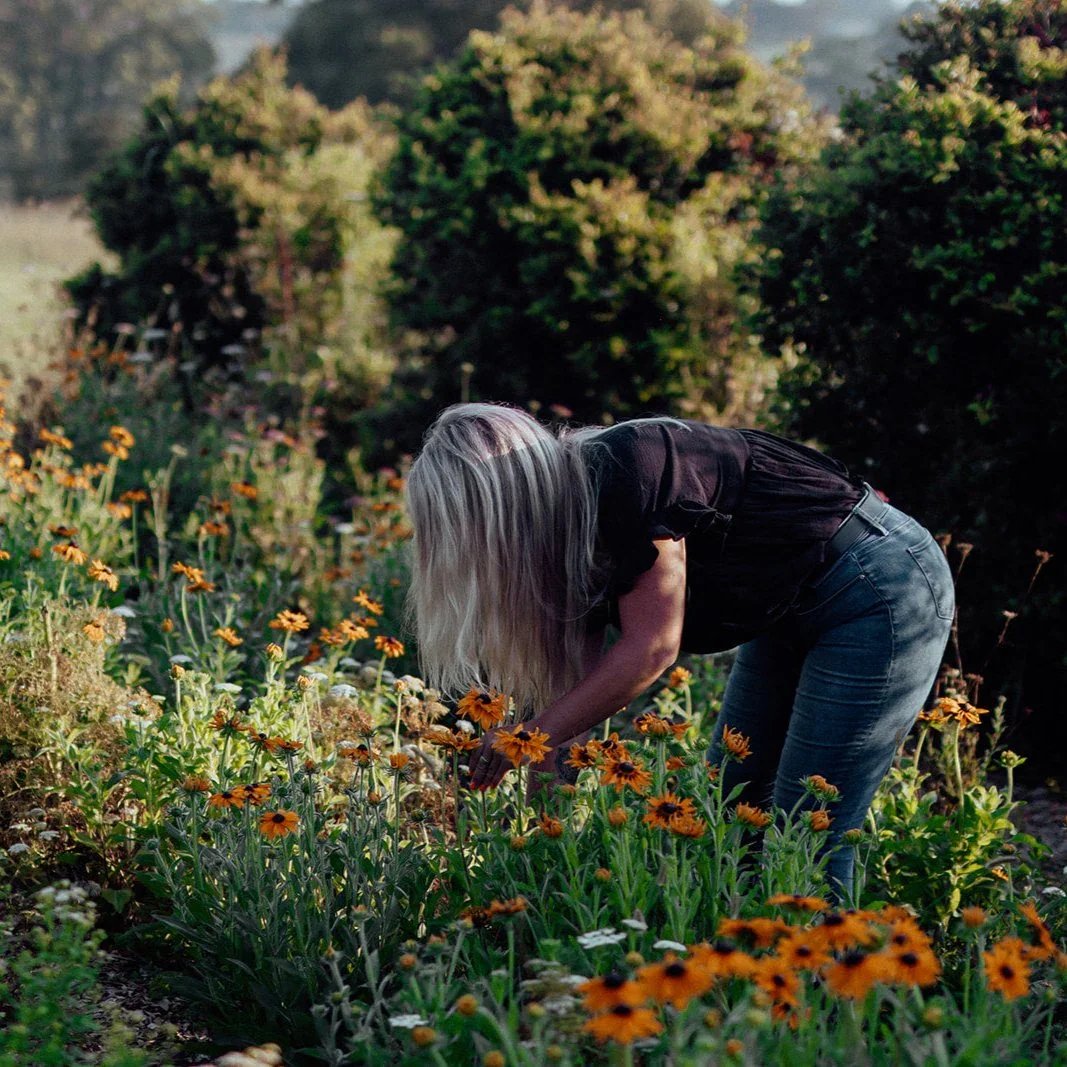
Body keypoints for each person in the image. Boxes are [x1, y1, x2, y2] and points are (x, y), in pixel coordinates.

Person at [403, 402, 955, 897]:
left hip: (877, 585)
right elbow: (569, 705)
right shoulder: (562, 540)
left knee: (808, 829)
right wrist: (542, 848)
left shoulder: (632, 467)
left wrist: (525, 736)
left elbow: (652, 649)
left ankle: (831, 1000)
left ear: (507, 507)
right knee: (730, 810)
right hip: (788, 605)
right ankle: (746, 986)